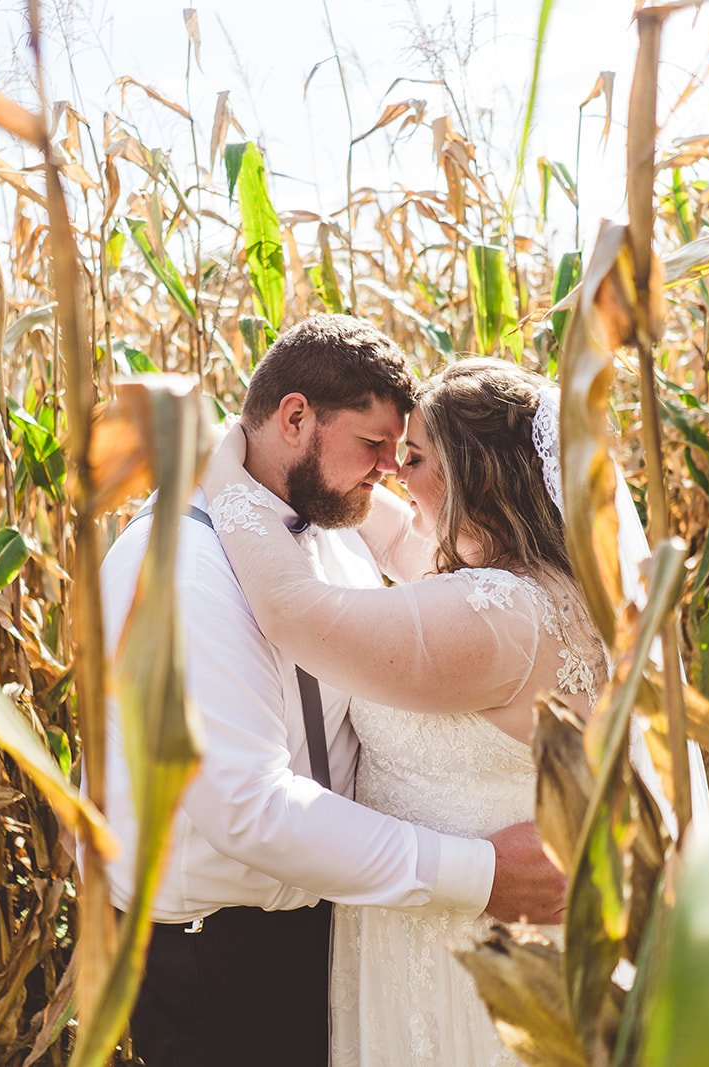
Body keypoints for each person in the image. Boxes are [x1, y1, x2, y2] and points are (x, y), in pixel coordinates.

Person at [96, 318, 566, 1067]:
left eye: (401, 451)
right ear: (294, 417)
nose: (390, 470)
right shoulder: (183, 572)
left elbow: (438, 565)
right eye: (375, 446)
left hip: (344, 922)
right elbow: (249, 809)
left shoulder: (333, 521)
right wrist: (478, 872)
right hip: (221, 958)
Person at [199, 357, 616, 1066]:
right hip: (503, 933)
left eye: (414, 457)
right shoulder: (548, 587)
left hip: (464, 952)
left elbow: (293, 612)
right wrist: (338, 483)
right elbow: (401, 537)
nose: (393, 470)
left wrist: (224, 471)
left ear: (472, 479)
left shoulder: (492, 616)